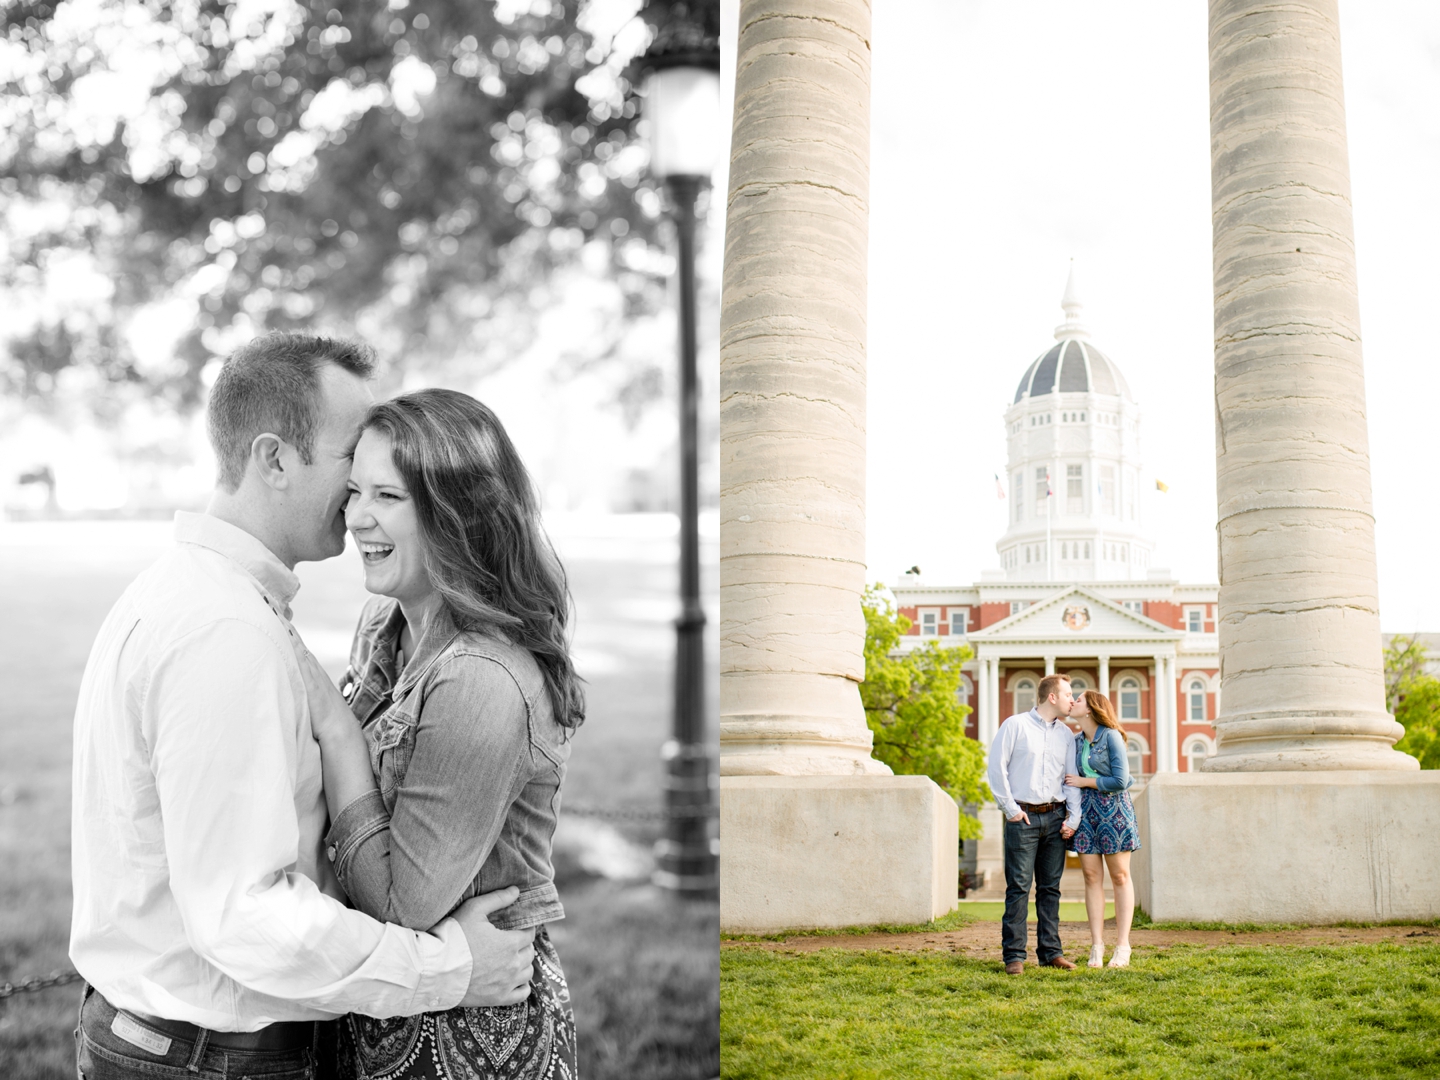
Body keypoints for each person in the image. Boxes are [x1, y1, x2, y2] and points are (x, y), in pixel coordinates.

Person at [70, 335, 537, 1080]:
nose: (358, 495)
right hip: (208, 1057)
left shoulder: (196, 595)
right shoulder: (223, 630)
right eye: (350, 460)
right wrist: (448, 969)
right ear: (275, 460)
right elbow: (244, 914)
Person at [301, 388, 581, 1080]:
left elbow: (404, 905)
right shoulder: (386, 624)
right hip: (384, 1009)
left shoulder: (479, 678)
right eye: (355, 490)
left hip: (471, 1033)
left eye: (389, 498)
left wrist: (339, 735)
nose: (358, 518)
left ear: (457, 515)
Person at [986, 673, 1083, 974]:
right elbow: (996, 768)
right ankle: (1014, 956)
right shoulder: (1014, 726)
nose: (1072, 699)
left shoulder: (1066, 735)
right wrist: (1010, 809)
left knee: (1050, 889)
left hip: (1055, 817)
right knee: (1018, 887)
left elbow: (1070, 780)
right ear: (1051, 696)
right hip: (1023, 817)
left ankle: (1051, 952)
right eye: (1068, 694)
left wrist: (1071, 816)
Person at [1064, 689, 1140, 968]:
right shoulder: (1074, 741)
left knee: (1119, 876)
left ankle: (1123, 946)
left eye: (1079, 700)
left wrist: (1085, 783)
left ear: (1091, 709)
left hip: (1114, 809)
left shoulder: (1111, 736)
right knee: (1090, 876)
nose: (1073, 702)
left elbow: (1121, 780)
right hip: (1086, 812)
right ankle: (1096, 946)